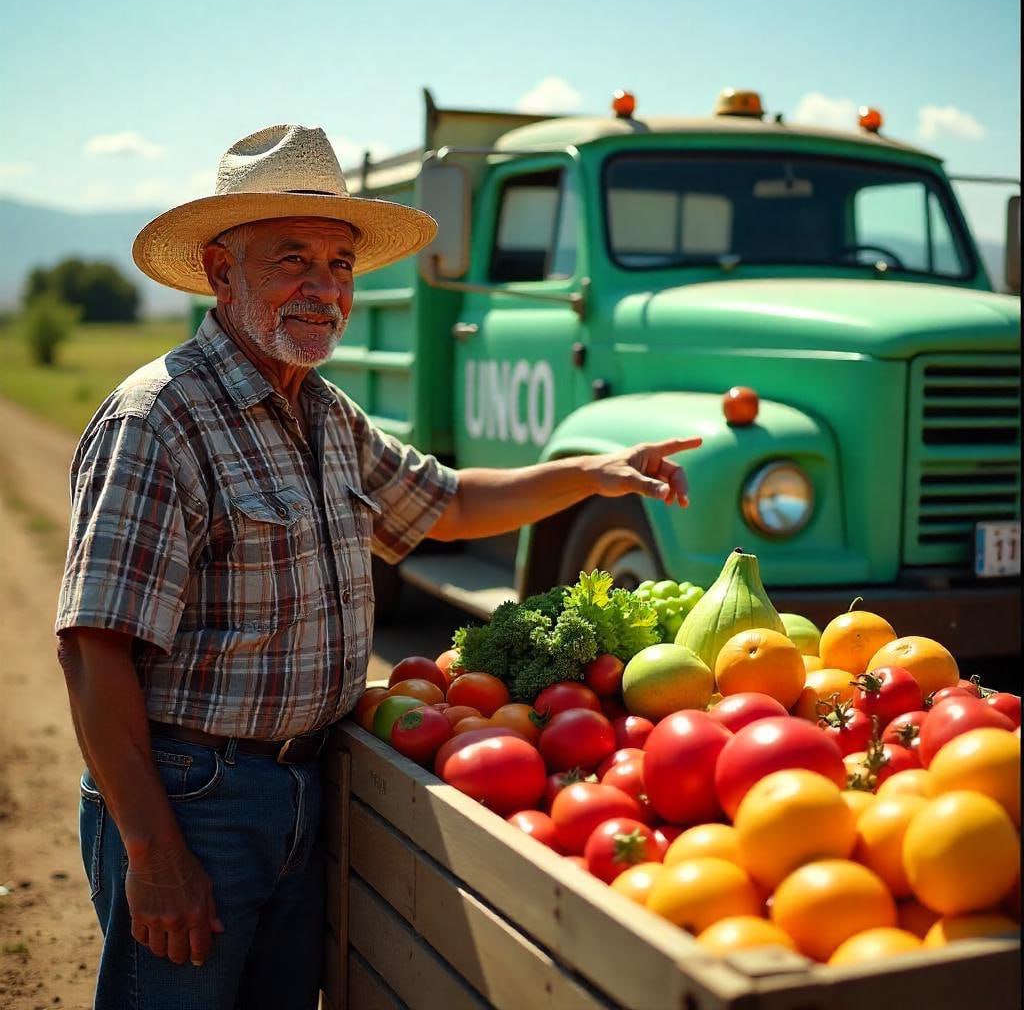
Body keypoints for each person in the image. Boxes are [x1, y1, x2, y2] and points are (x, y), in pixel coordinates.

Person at [55, 124, 701, 1010]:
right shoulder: (158, 420)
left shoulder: (323, 411)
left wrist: (592, 472)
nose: (324, 289)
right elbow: (92, 651)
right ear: (219, 270)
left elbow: (450, 503)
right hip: (191, 795)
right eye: (293, 260)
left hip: (304, 783)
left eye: (341, 265)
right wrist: (156, 854)